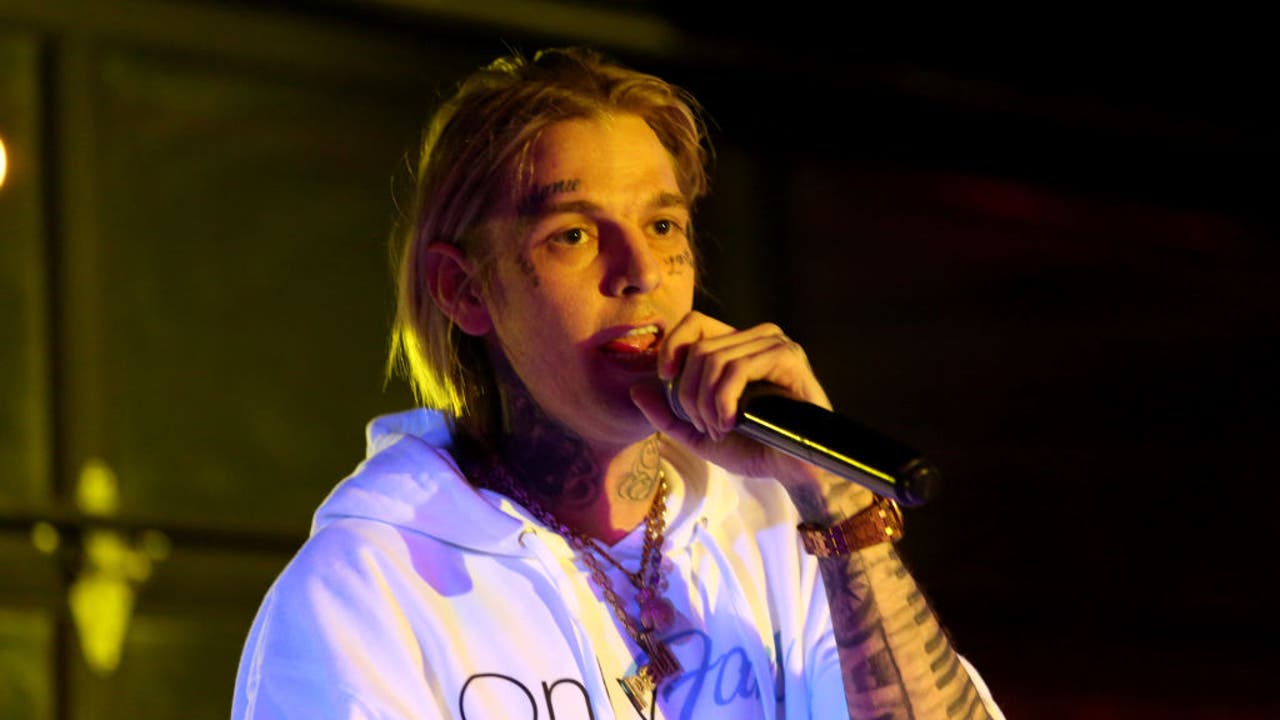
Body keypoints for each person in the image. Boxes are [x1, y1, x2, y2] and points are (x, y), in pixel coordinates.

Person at [232, 47, 1003, 719]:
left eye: (663, 226)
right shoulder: (365, 589)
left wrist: (834, 502)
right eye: (574, 234)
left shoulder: (779, 530)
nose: (640, 273)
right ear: (463, 289)